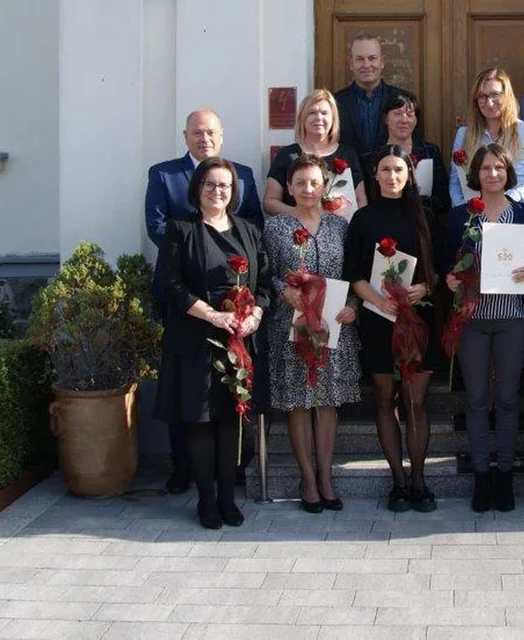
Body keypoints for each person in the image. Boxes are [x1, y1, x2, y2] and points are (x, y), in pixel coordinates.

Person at [144, 109, 264, 495]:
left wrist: (253, 311)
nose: (205, 138)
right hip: (195, 314)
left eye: (211, 132)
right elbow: (159, 234)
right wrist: (199, 256)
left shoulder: (243, 187)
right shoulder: (167, 182)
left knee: (230, 412)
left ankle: (230, 485)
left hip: (236, 326)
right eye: (197, 132)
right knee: (193, 409)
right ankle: (192, 479)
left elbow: (258, 261)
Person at [444, 144, 524, 512]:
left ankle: (505, 477)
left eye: (498, 168)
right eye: (485, 168)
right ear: (476, 173)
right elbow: (447, 265)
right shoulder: (461, 217)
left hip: (513, 317)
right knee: (475, 400)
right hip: (473, 320)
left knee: (506, 399)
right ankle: (481, 477)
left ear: (508, 173)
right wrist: (451, 280)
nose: (492, 174)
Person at [345, 144, 444, 513]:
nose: (392, 176)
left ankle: (420, 480)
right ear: (376, 175)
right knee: (385, 399)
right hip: (378, 317)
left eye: (398, 170)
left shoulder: (426, 217)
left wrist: (425, 286)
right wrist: (376, 300)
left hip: (418, 318)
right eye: (385, 169)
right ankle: (398, 483)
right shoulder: (363, 218)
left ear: (409, 174)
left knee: (416, 402)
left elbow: (440, 267)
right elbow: (352, 271)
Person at [264, 155, 362, 514]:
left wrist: (354, 304)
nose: (308, 189)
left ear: (325, 186)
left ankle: (326, 477)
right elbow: (266, 272)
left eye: (314, 182)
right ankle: (307, 479)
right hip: (292, 325)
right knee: (299, 403)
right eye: (300, 183)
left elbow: (355, 272)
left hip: (334, 323)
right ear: (288, 188)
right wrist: (281, 290)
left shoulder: (340, 226)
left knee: (326, 402)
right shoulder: (276, 227)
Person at [449, 68, 524, 208]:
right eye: (482, 96)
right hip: (473, 217)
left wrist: (511, 199)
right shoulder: (464, 134)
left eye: (495, 94)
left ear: (507, 96)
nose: (489, 103)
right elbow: (455, 182)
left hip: (514, 212)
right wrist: (465, 209)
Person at [265, 89, 367, 219]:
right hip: (298, 233)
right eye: (312, 113)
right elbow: (270, 201)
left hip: (341, 232)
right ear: (303, 117)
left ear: (333, 119)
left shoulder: (348, 154)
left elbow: (360, 199)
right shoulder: (287, 155)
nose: (319, 118)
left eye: (324, 113)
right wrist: (301, 215)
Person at [334, 34, 420, 164]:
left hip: (392, 178)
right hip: (349, 179)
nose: (366, 64)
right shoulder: (335, 102)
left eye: (372, 58)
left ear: (382, 62)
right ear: (351, 64)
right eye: (359, 59)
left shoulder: (403, 101)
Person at [375, 90, 449, 215]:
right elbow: (369, 195)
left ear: (416, 120)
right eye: (397, 114)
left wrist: (415, 203)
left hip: (423, 221)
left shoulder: (430, 151)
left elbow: (442, 198)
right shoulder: (373, 154)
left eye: (410, 115)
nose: (404, 120)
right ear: (386, 118)